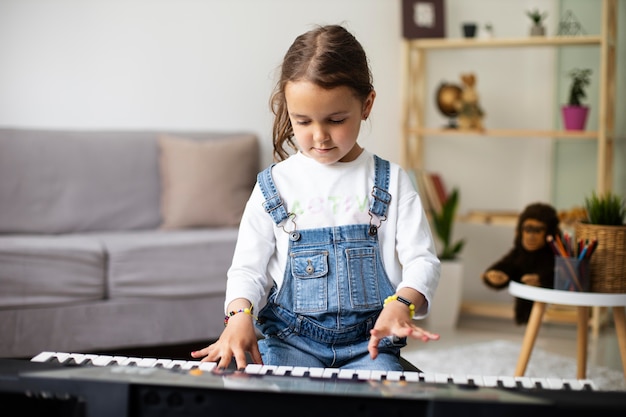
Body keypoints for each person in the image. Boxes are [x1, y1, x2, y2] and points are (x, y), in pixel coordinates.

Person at [191, 24, 440, 371]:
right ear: (286, 108)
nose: (320, 136)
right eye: (303, 121)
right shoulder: (275, 185)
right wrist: (239, 314)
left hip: (370, 346)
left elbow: (423, 262)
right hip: (290, 344)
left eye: (336, 120)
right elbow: (248, 269)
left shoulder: (392, 181)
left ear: (366, 104)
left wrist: (403, 302)